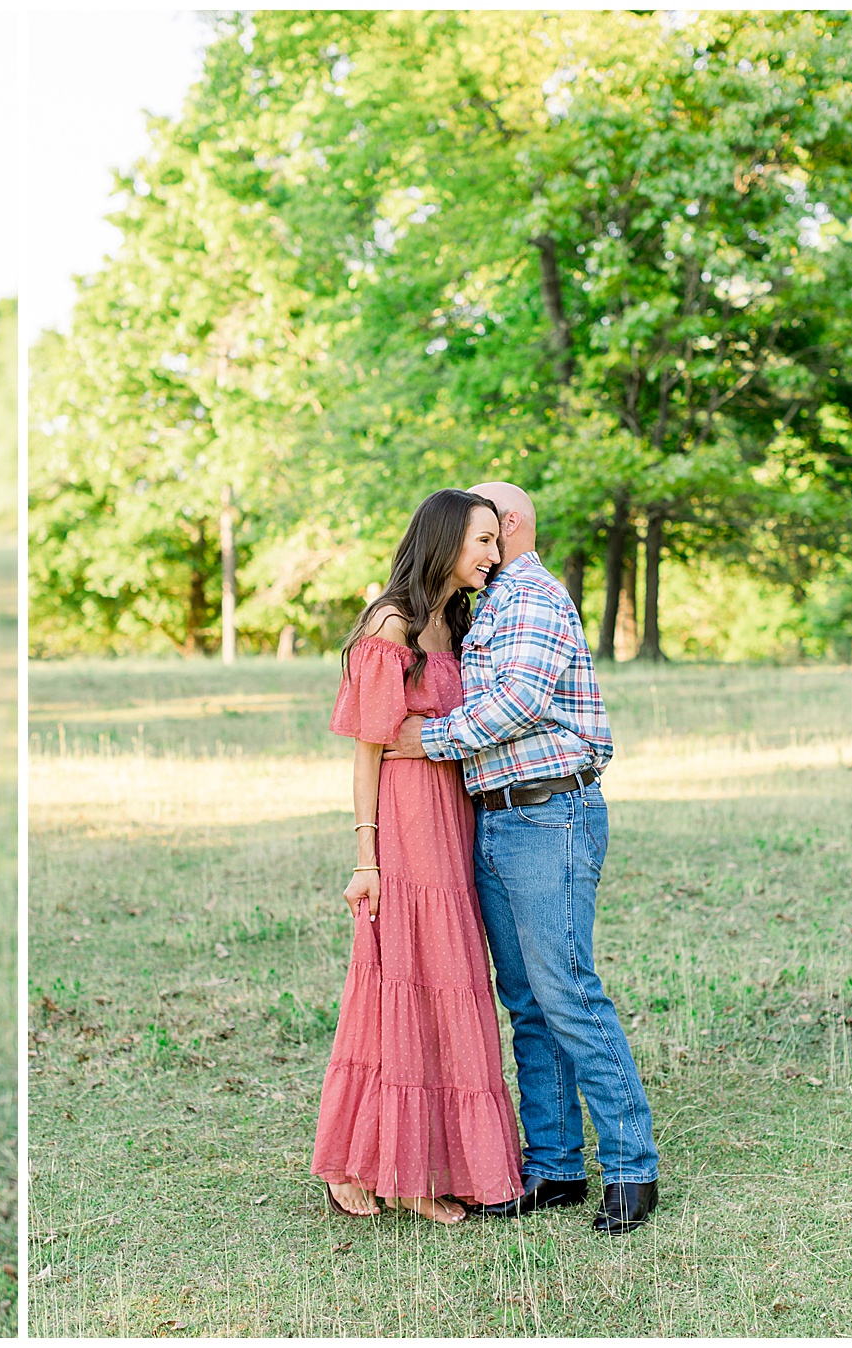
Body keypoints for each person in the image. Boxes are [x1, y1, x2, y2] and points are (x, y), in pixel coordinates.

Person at [386, 481, 660, 1234]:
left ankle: (632, 1167)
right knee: (529, 1004)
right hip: (498, 819)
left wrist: (425, 740)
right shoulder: (488, 605)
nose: (472, 543)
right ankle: (556, 1166)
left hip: (549, 815)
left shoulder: (533, 596)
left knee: (567, 992)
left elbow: (521, 702)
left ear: (508, 525)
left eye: (481, 530)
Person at [312, 489, 524, 1223]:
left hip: (454, 821)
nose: (493, 555)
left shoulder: (457, 622)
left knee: (448, 984)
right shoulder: (391, 624)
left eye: (497, 541)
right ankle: (374, 1166)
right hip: (403, 827)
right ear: (444, 539)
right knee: (398, 983)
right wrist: (365, 857)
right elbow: (367, 754)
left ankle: (429, 1161)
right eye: (482, 541)